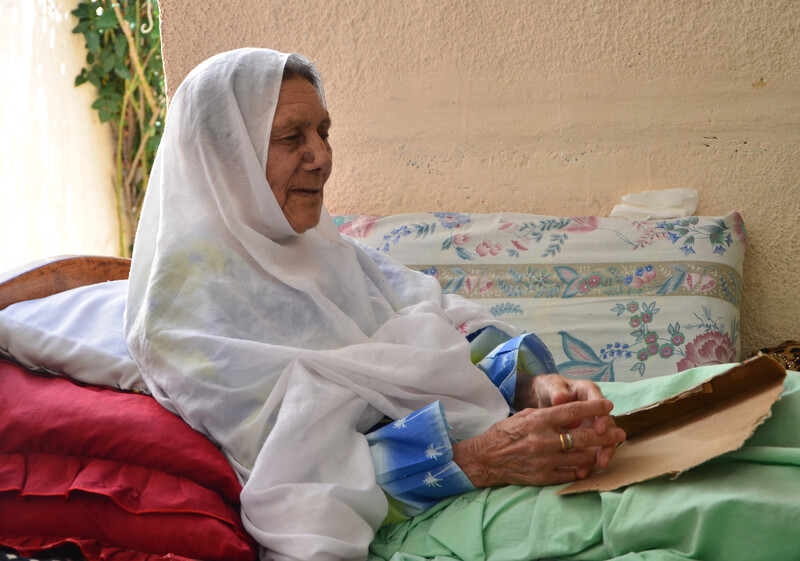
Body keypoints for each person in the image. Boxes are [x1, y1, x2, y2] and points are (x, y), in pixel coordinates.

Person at [124, 48, 625, 560]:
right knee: (668, 514)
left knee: (675, 415)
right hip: (409, 514)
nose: (321, 156)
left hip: (494, 447)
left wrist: (537, 387)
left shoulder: (327, 252)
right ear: (224, 157)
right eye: (292, 138)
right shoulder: (187, 316)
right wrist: (484, 459)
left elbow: (443, 325)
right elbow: (300, 481)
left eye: (323, 132)